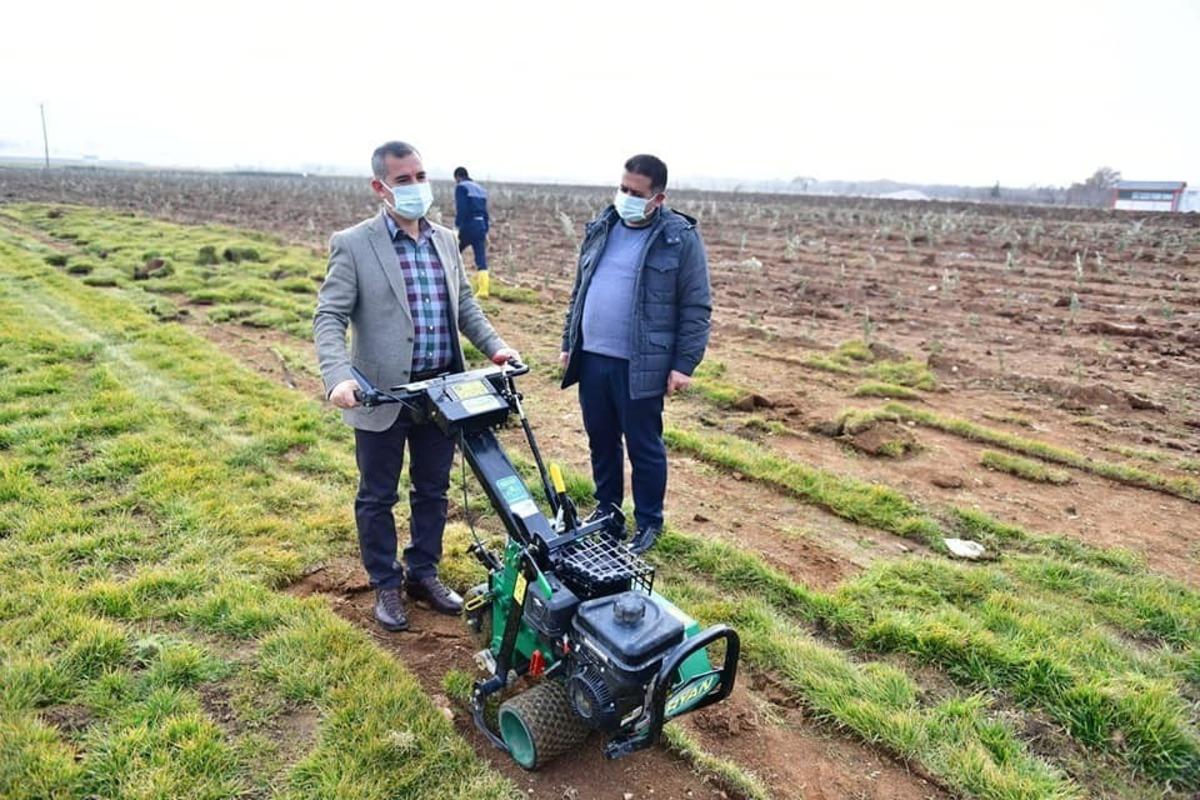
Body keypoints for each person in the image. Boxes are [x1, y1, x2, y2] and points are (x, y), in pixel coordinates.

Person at [314, 141, 519, 632]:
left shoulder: (446, 240)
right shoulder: (355, 243)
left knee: (433, 489)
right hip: (380, 393)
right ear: (380, 187)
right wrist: (338, 377)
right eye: (403, 180)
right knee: (377, 495)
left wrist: (497, 348)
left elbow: (465, 305)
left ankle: (422, 572)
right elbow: (329, 316)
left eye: (420, 176)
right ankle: (385, 582)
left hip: (441, 392)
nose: (415, 187)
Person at [558, 154, 711, 554]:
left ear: (657, 198)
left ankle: (648, 523)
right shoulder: (602, 226)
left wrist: (683, 364)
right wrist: (567, 343)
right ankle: (608, 512)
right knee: (601, 440)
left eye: (636, 193)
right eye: (623, 188)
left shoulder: (678, 238)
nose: (625, 197)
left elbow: (696, 306)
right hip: (592, 357)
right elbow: (580, 291)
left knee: (644, 445)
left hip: (640, 363)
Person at [453, 166, 491, 298]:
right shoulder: (480, 189)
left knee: (453, 253)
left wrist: (457, 228)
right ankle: (484, 290)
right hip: (480, 225)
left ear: (457, 177)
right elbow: (486, 213)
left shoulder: (461, 187)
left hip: (468, 226)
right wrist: (486, 232)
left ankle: (451, 283)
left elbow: (462, 209)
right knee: (481, 258)